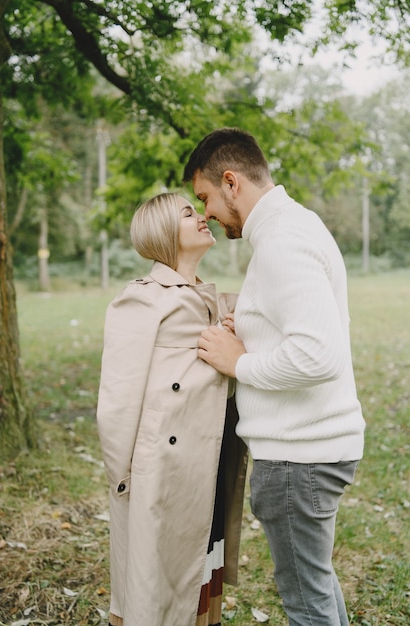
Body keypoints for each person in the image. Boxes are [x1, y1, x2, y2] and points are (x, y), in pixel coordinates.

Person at [183, 128, 366, 626]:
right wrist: (253, 323)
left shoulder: (282, 240)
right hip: (308, 451)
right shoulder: (290, 227)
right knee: (316, 584)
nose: (206, 215)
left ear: (230, 181)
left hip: (298, 457)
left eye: (204, 198)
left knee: (306, 604)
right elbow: (301, 326)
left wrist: (237, 360)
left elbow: (316, 355)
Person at [96, 192, 247, 626]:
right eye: (188, 213)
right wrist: (123, 479)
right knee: (156, 582)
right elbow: (118, 397)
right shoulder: (141, 299)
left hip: (208, 460)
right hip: (161, 470)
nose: (203, 216)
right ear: (164, 232)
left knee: (201, 562)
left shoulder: (211, 297)